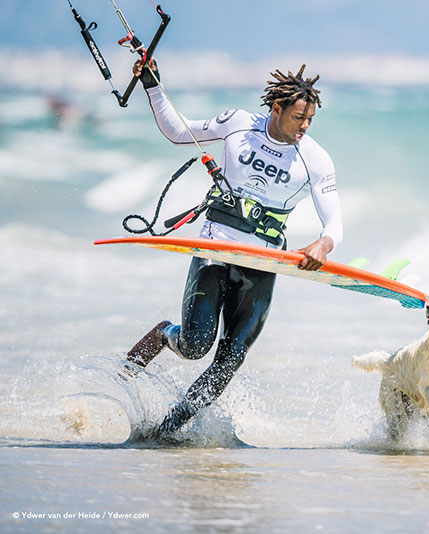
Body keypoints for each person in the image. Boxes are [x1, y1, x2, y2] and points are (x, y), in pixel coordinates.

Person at [125, 61, 342, 438]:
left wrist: (323, 244)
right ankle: (164, 334)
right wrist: (151, 84)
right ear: (276, 109)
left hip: (263, 260)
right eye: (297, 117)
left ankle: (165, 432)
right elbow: (180, 132)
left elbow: (334, 220)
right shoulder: (239, 123)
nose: (304, 126)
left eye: (310, 119)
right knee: (194, 346)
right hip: (216, 245)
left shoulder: (316, 159)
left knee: (231, 358)